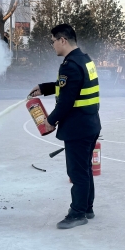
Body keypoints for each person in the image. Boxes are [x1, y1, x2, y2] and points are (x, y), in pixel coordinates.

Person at [28, 24, 101, 230]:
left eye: (53, 41)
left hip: (78, 127)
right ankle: (87, 208)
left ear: (62, 40)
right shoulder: (85, 60)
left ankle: (77, 213)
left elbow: (67, 100)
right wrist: (45, 88)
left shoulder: (69, 65)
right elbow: (71, 86)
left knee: (77, 172)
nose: (52, 45)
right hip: (90, 123)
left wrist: (50, 121)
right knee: (85, 168)